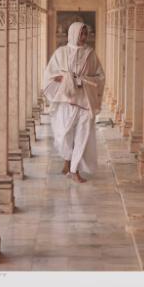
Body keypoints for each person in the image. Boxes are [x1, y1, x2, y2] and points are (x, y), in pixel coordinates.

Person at [43, 22, 105, 183]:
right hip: (66, 102)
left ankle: (74, 170)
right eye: (81, 34)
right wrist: (64, 79)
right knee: (64, 135)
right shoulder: (60, 53)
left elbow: (100, 77)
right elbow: (49, 76)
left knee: (82, 136)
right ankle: (67, 161)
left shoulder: (91, 54)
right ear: (73, 34)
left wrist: (84, 81)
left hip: (85, 102)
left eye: (86, 34)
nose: (84, 37)